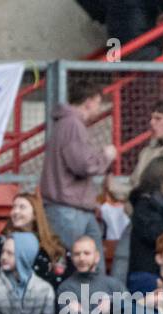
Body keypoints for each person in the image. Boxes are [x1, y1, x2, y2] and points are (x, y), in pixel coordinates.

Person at [40, 81, 116, 268]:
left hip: (70, 208)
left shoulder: (65, 123)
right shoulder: (73, 124)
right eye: (98, 102)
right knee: (81, 267)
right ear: (89, 101)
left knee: (89, 266)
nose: (99, 108)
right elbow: (83, 165)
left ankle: (92, 297)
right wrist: (105, 156)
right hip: (69, 209)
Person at [0, 193, 71, 290]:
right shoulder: (1, 242)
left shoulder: (53, 243)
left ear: (35, 214)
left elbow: (64, 275)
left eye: (22, 207)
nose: (16, 211)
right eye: (14, 207)